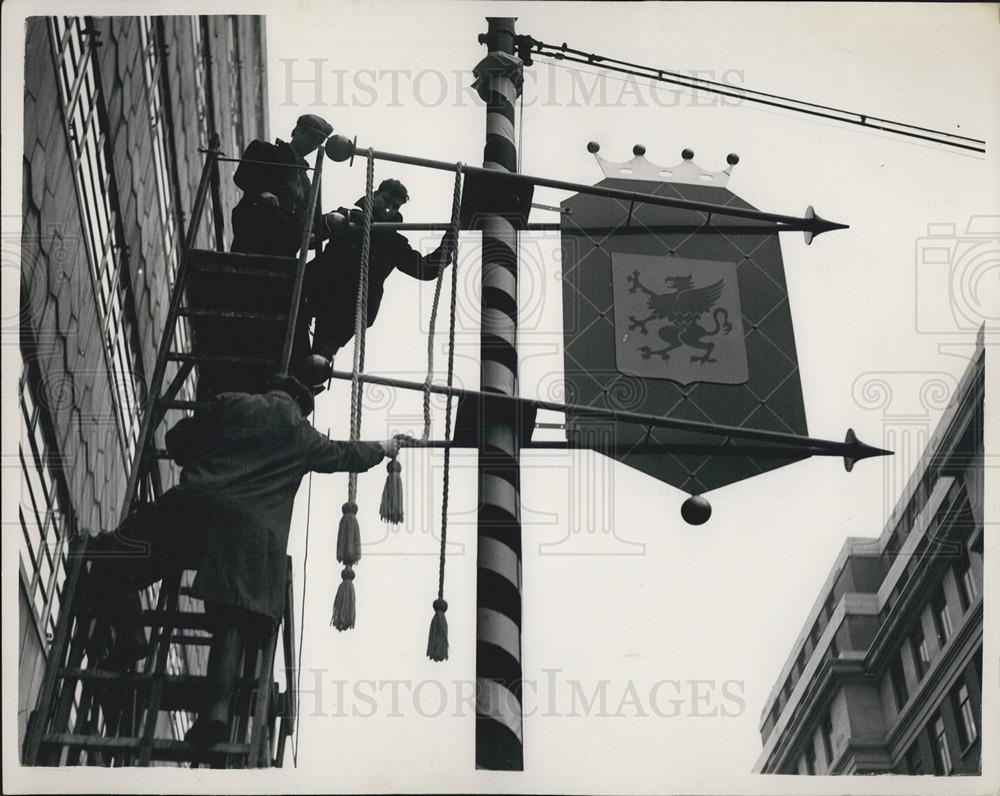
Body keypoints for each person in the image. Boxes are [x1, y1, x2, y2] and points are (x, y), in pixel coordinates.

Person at [89, 374, 408, 746]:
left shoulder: (233, 401)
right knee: (233, 617)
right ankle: (216, 717)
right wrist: (385, 446)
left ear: (271, 390)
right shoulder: (303, 436)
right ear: (302, 408)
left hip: (195, 508)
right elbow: (345, 454)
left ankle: (131, 637)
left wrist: (206, 459)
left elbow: (178, 440)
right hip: (248, 538)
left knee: (114, 555)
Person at [299, 178, 457, 382]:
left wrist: (448, 243)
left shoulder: (394, 243)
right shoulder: (347, 216)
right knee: (296, 324)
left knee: (319, 360)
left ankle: (309, 377)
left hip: (348, 309)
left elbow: (424, 269)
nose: (390, 209)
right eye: (387, 200)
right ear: (374, 195)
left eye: (395, 206)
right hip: (319, 287)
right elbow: (313, 232)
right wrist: (327, 227)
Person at [231, 114, 333, 256]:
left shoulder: (307, 184)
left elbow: (309, 217)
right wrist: (262, 192)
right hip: (257, 232)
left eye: (318, 141)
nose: (313, 145)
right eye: (311, 137)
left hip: (285, 248)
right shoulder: (266, 151)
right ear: (298, 130)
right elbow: (243, 174)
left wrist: (311, 232)